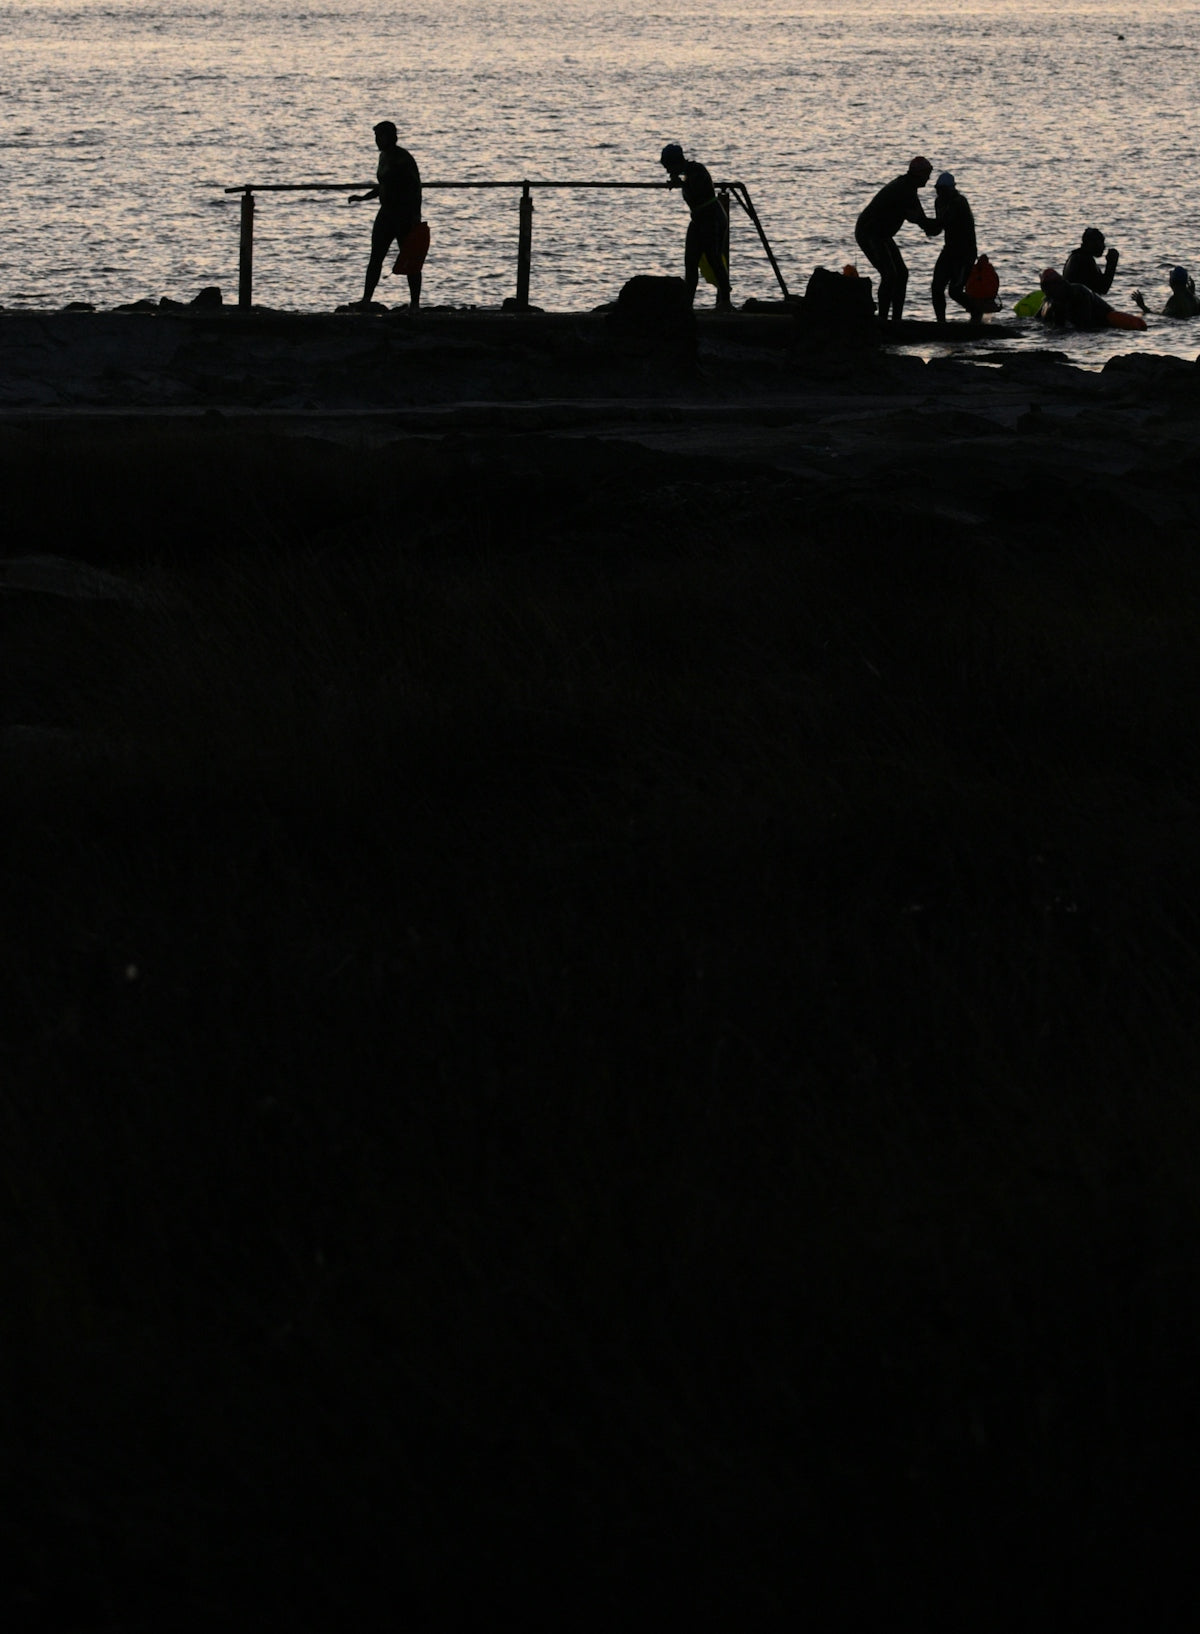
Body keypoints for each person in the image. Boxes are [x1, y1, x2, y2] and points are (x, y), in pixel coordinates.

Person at [348, 121, 423, 310]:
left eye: (380, 136)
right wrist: (363, 198)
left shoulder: (403, 158)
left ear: (390, 137)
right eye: (376, 137)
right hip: (386, 213)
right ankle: (366, 299)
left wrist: (415, 215)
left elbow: (415, 188)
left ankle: (415, 303)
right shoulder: (384, 157)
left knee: (410, 258)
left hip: (403, 214)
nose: (377, 141)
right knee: (376, 257)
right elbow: (383, 185)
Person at [854, 155, 935, 322]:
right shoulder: (905, 190)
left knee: (902, 274)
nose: (929, 178)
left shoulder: (908, 187)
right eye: (927, 174)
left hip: (881, 235)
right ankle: (884, 320)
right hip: (869, 232)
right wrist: (945, 222)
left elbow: (922, 221)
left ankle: (896, 319)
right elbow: (924, 223)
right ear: (919, 174)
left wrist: (934, 225)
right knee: (889, 274)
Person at [658, 143, 733, 311]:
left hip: (712, 217)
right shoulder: (685, 174)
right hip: (698, 219)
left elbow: (697, 191)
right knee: (690, 262)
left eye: (669, 167)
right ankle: (687, 305)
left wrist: (680, 183)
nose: (668, 172)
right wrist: (678, 182)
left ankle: (725, 301)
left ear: (676, 162)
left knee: (714, 259)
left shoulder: (697, 170)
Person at [926, 171, 976, 323]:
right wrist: (930, 229)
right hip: (949, 250)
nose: (939, 193)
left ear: (951, 189)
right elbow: (940, 227)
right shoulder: (939, 202)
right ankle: (941, 322)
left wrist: (926, 223)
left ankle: (976, 313)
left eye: (942, 190)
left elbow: (946, 222)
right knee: (936, 287)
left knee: (954, 291)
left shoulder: (959, 202)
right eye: (938, 190)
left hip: (965, 253)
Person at [1038, 267, 1145, 330]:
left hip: (1104, 322)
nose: (1047, 292)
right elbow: (1038, 320)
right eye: (1045, 289)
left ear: (1060, 284)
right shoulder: (1049, 300)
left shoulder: (1079, 293)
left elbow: (1085, 325)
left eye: (1049, 288)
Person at [1063, 227, 1118, 295]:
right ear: (1090, 243)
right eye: (1100, 242)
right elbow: (1102, 289)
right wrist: (1111, 263)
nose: (1103, 246)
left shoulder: (1076, 257)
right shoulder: (1083, 260)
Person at [1133, 265, 1200, 318]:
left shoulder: (1174, 301)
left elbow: (1162, 317)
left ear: (1172, 281)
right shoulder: (1194, 298)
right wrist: (1192, 292)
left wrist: (1142, 306)